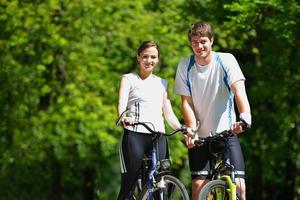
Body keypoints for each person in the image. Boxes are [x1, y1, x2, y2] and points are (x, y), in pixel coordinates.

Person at [174, 21, 252, 200]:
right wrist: (191, 129)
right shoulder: (185, 66)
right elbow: (186, 102)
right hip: (199, 137)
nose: (199, 46)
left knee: (239, 186)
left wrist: (245, 117)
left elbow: (239, 90)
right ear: (190, 44)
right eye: (195, 42)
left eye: (203, 41)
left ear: (211, 41)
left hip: (227, 133)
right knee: (198, 186)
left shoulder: (225, 60)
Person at [117, 41, 183, 200]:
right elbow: (121, 103)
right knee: (130, 179)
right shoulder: (129, 79)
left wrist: (182, 128)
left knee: (163, 178)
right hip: (135, 134)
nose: (149, 60)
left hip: (158, 135)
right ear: (138, 58)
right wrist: (124, 117)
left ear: (158, 59)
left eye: (153, 57)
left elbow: (168, 113)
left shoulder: (162, 83)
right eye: (145, 56)